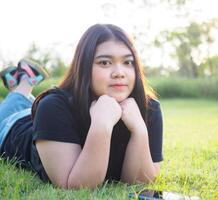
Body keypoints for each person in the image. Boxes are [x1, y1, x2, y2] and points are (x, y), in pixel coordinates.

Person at [0, 24, 163, 189]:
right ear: (84, 66)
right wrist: (101, 125)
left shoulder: (149, 108)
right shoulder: (51, 107)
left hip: (45, 117)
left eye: (128, 62)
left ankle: (22, 81)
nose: (119, 72)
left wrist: (139, 130)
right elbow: (75, 186)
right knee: (16, 99)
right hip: (13, 125)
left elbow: (140, 182)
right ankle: (24, 83)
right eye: (105, 62)